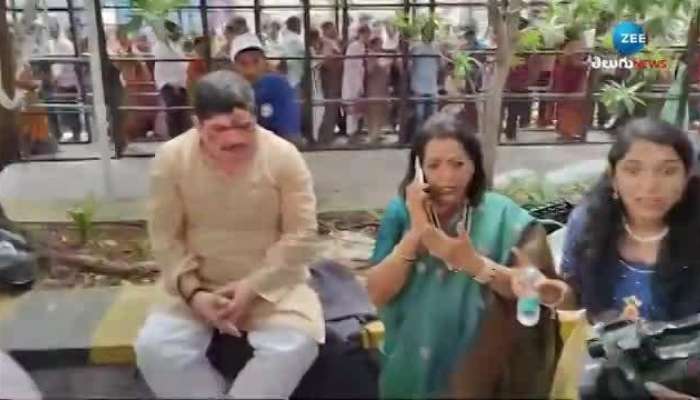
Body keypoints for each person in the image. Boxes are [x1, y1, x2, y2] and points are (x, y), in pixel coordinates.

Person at [135, 70, 323, 399]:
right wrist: (194, 294)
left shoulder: (283, 157)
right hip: (197, 285)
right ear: (197, 125)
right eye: (219, 130)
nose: (234, 139)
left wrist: (253, 287)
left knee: (294, 344)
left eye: (244, 127)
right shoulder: (172, 159)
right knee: (156, 349)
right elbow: (165, 239)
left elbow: (302, 235)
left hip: (270, 285)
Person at [366, 111, 560, 399]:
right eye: (434, 165)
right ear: (418, 172)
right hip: (409, 369)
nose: (447, 176)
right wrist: (416, 234)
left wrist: (474, 265)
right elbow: (376, 293)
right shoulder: (400, 213)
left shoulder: (502, 216)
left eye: (458, 164)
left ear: (473, 167)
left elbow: (528, 289)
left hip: (481, 376)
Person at [532, 118, 700, 323]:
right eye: (633, 170)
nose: (650, 186)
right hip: (602, 351)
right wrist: (556, 295)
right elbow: (579, 303)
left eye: (668, 171)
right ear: (613, 177)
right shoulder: (588, 224)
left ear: (686, 176)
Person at [229, 32, 303, 146]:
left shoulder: (279, 86)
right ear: (234, 67)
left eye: (255, 61)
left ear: (264, 62)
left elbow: (291, 134)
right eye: (243, 63)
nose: (250, 70)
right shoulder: (226, 92)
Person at [153, 20, 191, 138]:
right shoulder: (162, 47)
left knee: (182, 113)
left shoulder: (174, 45)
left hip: (180, 84)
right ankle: (175, 138)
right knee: (174, 113)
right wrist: (174, 85)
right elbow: (168, 67)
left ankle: (181, 138)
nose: (178, 33)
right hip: (170, 84)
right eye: (175, 30)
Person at [410, 23, 442, 130]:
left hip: (432, 85)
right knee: (420, 115)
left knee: (433, 115)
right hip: (419, 85)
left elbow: (440, 64)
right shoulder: (416, 48)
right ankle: (419, 138)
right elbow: (410, 66)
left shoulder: (436, 47)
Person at [342, 24, 371, 140]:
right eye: (367, 34)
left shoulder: (360, 46)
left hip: (357, 79)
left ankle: (354, 132)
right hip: (352, 80)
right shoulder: (355, 46)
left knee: (357, 108)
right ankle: (351, 134)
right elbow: (354, 65)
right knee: (352, 108)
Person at [280, 16, 305, 91]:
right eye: (299, 25)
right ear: (295, 25)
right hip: (295, 77)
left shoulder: (285, 38)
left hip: (290, 76)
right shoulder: (294, 40)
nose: (301, 27)